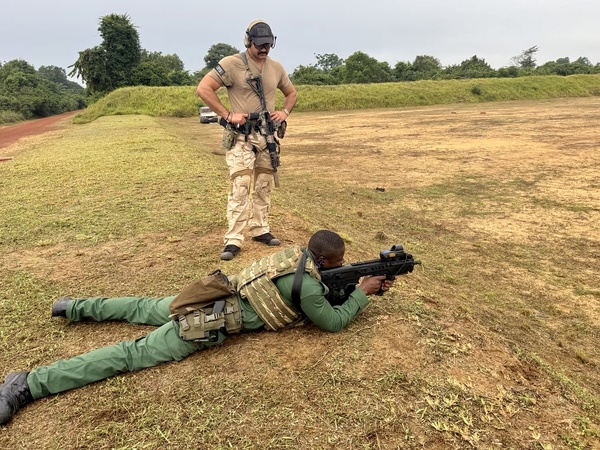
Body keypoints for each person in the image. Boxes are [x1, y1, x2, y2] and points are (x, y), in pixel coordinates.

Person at [0, 230, 394, 425]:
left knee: (144, 306)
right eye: (338, 262)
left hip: (212, 293)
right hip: (215, 319)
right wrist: (361, 293)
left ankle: (74, 307)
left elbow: (319, 290)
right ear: (324, 261)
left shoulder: (296, 256)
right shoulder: (308, 286)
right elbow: (333, 322)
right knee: (133, 353)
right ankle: (28, 384)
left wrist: (349, 287)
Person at [196, 20, 298, 260]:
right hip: (242, 136)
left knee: (264, 184)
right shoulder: (231, 64)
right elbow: (204, 88)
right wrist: (227, 114)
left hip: (267, 137)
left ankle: (260, 228)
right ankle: (233, 239)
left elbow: (291, 93)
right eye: (260, 44)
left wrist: (284, 112)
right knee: (241, 186)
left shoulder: (276, 67)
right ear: (248, 41)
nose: (264, 49)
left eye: (268, 45)